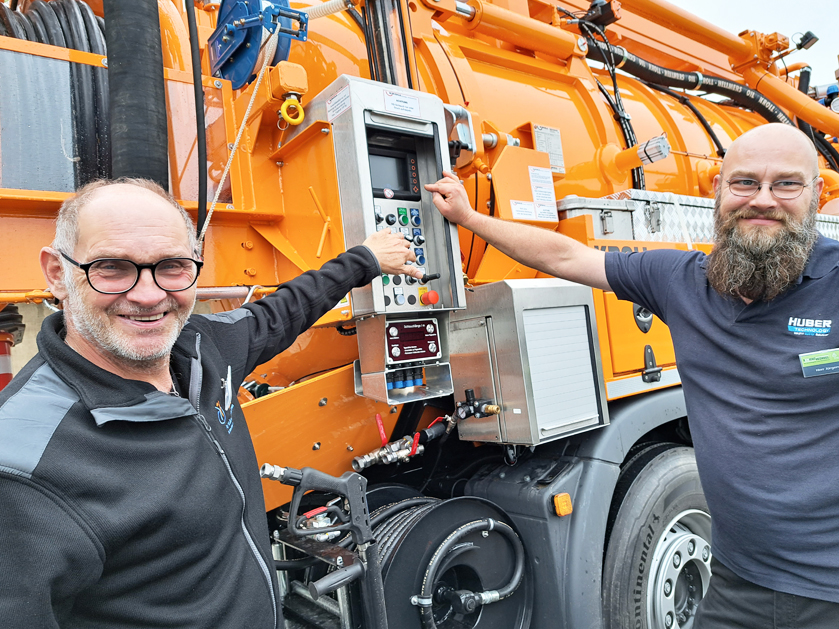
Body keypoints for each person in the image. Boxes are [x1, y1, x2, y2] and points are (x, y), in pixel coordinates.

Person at [426, 123, 839, 627]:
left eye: (787, 184)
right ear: (718, 190)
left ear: (818, 193)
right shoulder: (681, 282)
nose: (763, 200)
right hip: (736, 583)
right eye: (745, 183)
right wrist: (469, 217)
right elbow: (568, 256)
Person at [0, 178, 421, 628]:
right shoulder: (21, 464)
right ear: (57, 272)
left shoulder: (203, 348)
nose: (148, 295)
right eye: (112, 268)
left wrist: (367, 259)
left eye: (173, 266)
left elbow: (282, 312)